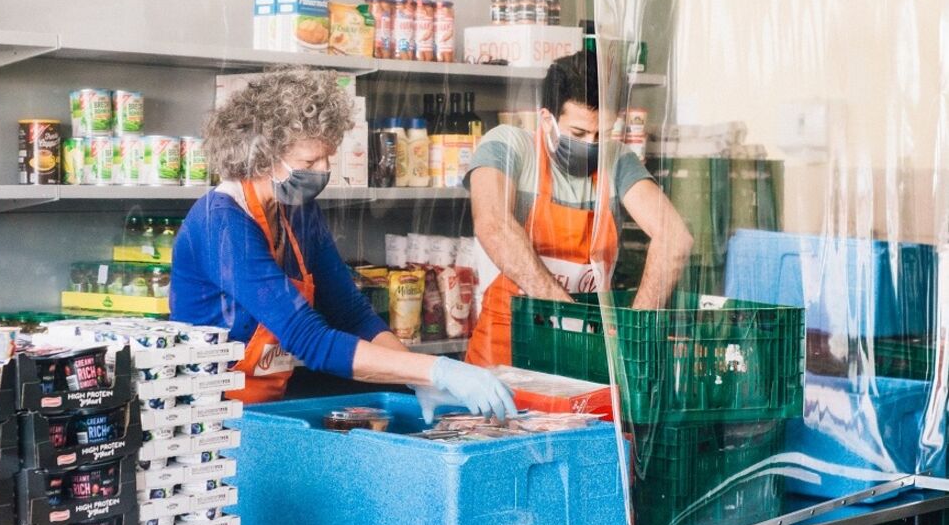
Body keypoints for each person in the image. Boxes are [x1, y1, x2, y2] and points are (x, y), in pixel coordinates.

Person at [171, 66, 516, 416]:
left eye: (327, 157)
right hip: (204, 421)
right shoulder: (221, 223)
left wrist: (417, 378)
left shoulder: (299, 213)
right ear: (262, 155)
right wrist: (437, 369)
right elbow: (308, 338)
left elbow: (351, 313)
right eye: (309, 160)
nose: (322, 171)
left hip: (265, 411)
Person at [465, 50, 692, 367]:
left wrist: (634, 331)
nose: (592, 144)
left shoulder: (617, 160)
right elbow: (493, 225)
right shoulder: (508, 145)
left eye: (602, 134)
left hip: (587, 349)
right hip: (506, 352)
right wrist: (564, 313)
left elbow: (674, 239)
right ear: (547, 120)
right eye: (579, 134)